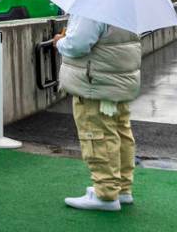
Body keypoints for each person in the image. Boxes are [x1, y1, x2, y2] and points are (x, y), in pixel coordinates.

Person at [54, 14, 142, 211]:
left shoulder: (91, 7)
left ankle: (106, 194)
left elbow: (78, 44)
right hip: (118, 83)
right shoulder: (125, 5)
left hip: (95, 83)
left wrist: (60, 42)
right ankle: (122, 189)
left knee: (96, 136)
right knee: (121, 133)